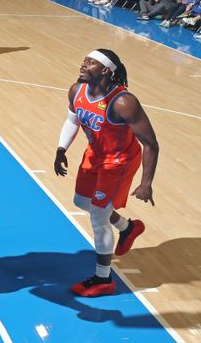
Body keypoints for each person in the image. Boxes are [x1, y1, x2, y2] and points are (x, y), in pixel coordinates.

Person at [54, 49, 158, 297]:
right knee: (81, 201)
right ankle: (127, 227)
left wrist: (146, 183)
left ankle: (103, 279)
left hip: (119, 162)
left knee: (99, 217)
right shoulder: (76, 91)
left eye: (90, 63)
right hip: (96, 155)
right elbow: (72, 121)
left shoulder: (123, 102)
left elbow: (151, 143)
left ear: (105, 70)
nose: (83, 65)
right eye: (83, 61)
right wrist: (61, 148)